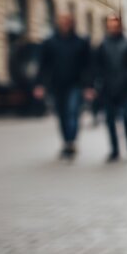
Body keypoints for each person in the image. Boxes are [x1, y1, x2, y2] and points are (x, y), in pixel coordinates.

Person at [34, 13, 91, 159]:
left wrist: (89, 86)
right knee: (61, 115)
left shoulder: (81, 42)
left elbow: (88, 66)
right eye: (62, 22)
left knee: (72, 112)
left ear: (72, 24)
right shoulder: (50, 42)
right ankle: (66, 141)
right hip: (56, 85)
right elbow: (43, 65)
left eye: (68, 22)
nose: (65, 25)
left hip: (75, 84)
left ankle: (71, 142)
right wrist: (40, 84)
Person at [93, 14, 127, 162]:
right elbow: (97, 65)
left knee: (126, 116)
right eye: (110, 25)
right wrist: (98, 82)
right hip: (108, 88)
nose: (113, 28)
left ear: (120, 26)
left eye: (115, 25)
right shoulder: (102, 45)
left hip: (125, 87)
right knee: (110, 119)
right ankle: (114, 149)